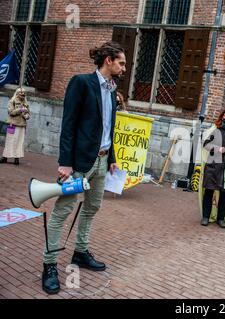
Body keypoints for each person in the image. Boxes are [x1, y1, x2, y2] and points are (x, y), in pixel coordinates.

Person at [41, 41, 126, 295]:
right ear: (108, 60)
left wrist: (111, 156)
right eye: (121, 62)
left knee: (92, 207)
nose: (124, 67)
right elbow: (68, 124)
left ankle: (80, 252)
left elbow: (108, 126)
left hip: (101, 161)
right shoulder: (80, 83)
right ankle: (49, 265)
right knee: (62, 210)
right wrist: (65, 162)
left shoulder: (112, 90)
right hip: (78, 162)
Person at [200, 108, 225, 228]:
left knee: (224, 195)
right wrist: (218, 149)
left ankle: (221, 218)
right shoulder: (215, 131)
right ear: (222, 117)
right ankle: (206, 217)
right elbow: (206, 144)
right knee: (209, 192)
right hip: (213, 166)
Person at [1, 88, 31, 165]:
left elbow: (28, 114)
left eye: (24, 93)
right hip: (13, 124)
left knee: (19, 142)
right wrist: (20, 110)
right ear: (17, 93)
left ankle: (16, 158)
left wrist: (26, 116)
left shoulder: (26, 103)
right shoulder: (12, 101)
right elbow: (11, 112)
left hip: (22, 125)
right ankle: (5, 157)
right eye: (21, 93)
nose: (22, 94)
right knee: (10, 141)